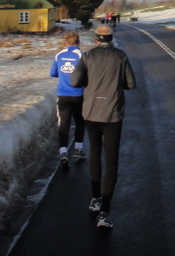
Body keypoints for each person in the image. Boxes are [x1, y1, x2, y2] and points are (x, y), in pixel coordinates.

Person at [70, 24, 137, 229]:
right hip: (112, 114)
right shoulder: (120, 56)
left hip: (91, 112)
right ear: (112, 39)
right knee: (111, 160)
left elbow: (74, 82)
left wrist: (88, 80)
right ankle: (105, 212)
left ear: (97, 39)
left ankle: (95, 198)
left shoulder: (88, 57)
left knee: (95, 154)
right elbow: (131, 84)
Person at [49, 31, 86, 168]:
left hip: (63, 96)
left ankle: (63, 152)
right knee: (80, 122)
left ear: (66, 43)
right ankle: (78, 149)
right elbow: (86, 74)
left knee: (63, 124)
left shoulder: (59, 55)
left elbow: (52, 73)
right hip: (78, 95)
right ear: (78, 42)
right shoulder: (82, 55)